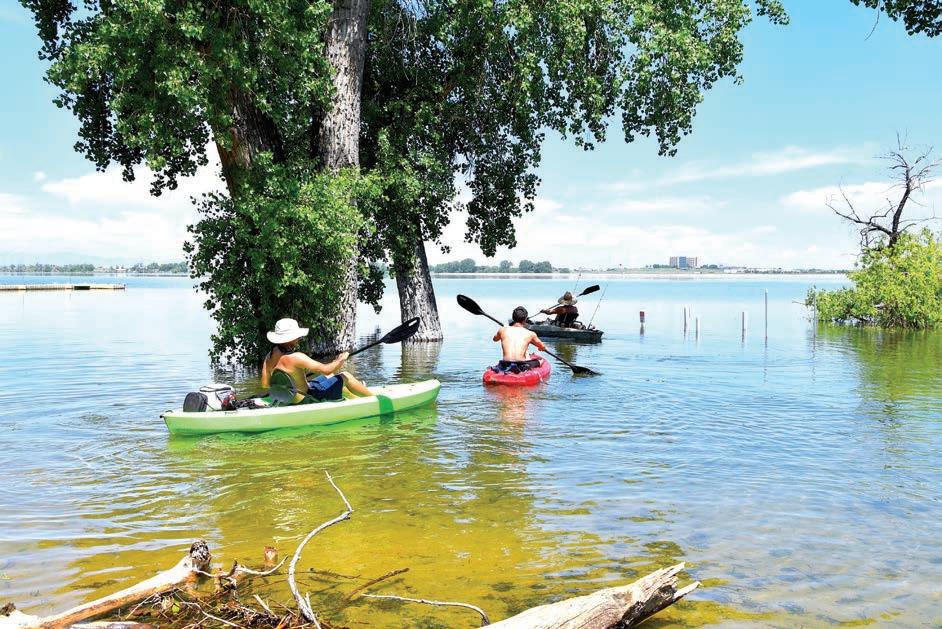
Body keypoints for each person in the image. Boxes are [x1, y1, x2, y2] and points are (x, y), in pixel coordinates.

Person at [260, 318, 373, 404]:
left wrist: (289, 383)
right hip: (306, 398)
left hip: (286, 397)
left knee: (330, 377)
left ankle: (354, 400)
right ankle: (374, 399)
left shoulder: (269, 356)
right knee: (345, 376)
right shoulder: (297, 357)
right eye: (297, 336)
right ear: (291, 338)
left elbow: (265, 384)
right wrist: (341, 359)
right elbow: (326, 369)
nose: (299, 338)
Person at [491, 306, 547, 373]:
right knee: (541, 360)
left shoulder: (502, 330)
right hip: (520, 366)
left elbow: (495, 339)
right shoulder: (530, 334)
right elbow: (543, 347)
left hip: (505, 364)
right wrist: (540, 348)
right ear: (525, 319)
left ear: (513, 318)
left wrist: (504, 328)